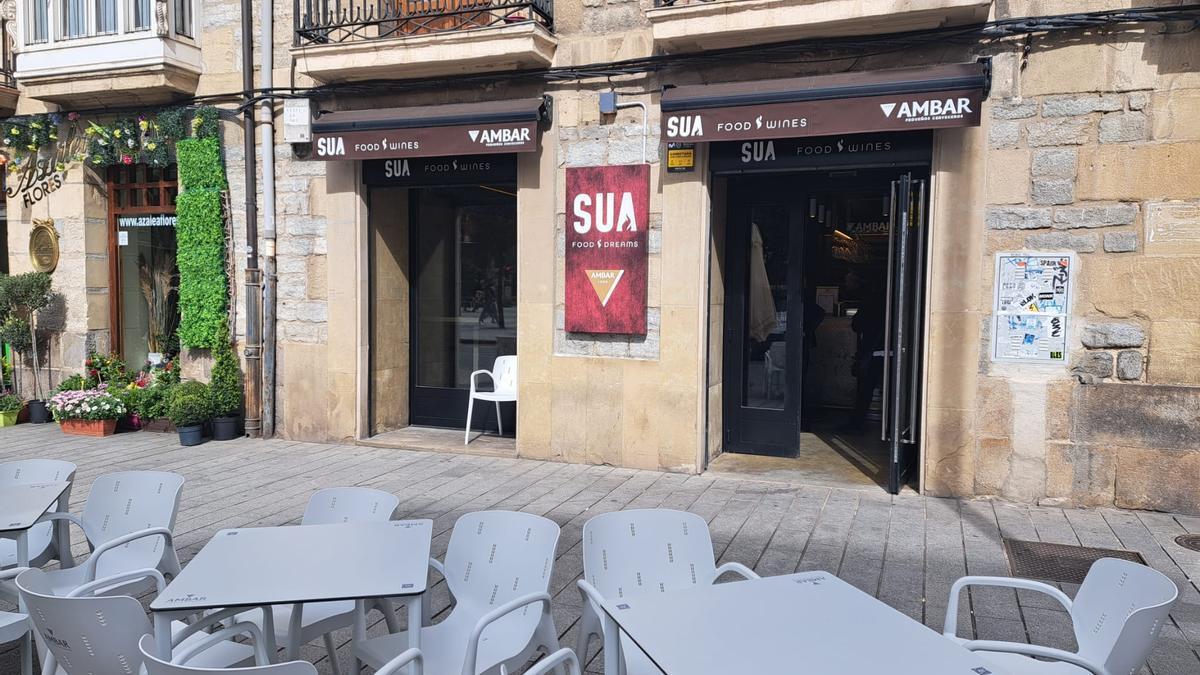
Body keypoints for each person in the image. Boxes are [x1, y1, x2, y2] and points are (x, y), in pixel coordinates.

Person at [844, 271, 885, 433]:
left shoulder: (869, 301)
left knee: (865, 390)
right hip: (887, 349)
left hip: (871, 349)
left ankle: (857, 424)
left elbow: (857, 325)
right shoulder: (887, 301)